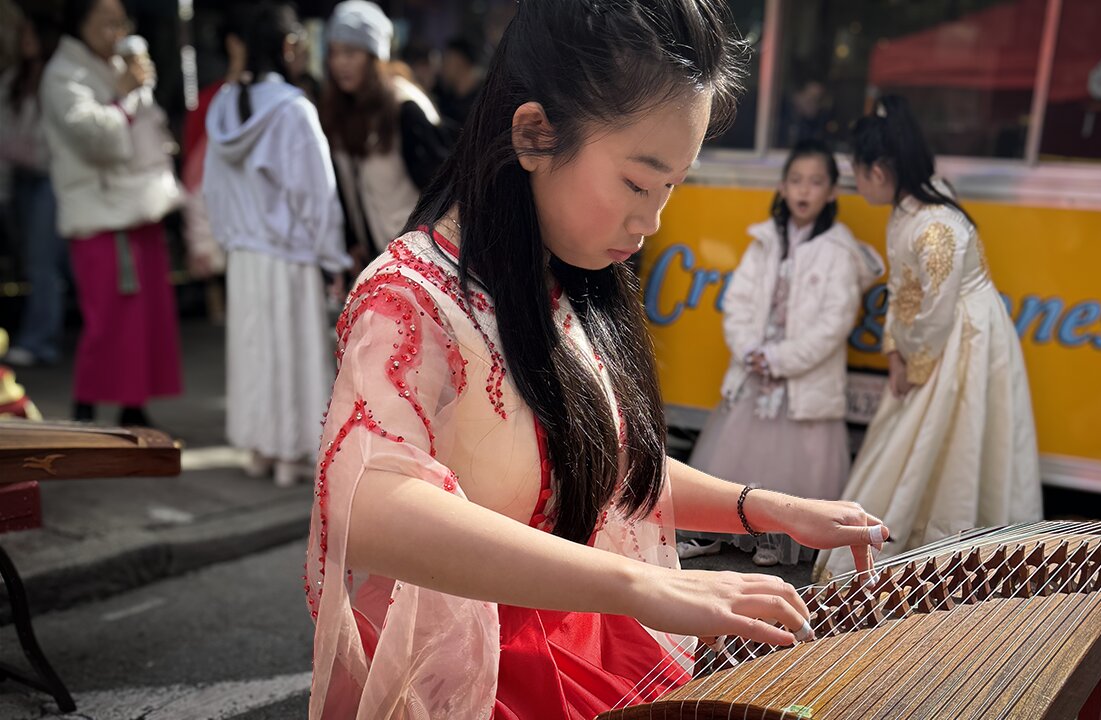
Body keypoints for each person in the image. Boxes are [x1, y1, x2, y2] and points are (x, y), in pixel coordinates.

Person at [304, 1, 890, 717]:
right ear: (534, 134)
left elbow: (593, 462)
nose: (651, 222)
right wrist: (637, 584)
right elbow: (367, 503)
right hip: (471, 673)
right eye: (639, 183)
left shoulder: (560, 274)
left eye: (672, 186)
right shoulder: (408, 299)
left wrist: (766, 509)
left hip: (585, 642)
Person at [814, 95, 1043, 582]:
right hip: (943, 329)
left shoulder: (934, 227)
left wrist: (910, 364)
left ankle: (939, 551)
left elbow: (934, 313)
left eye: (857, 173)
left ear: (879, 171)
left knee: (946, 434)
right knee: (929, 438)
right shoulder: (917, 205)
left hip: (963, 337)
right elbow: (906, 291)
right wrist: (895, 349)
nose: (856, 183)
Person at [677, 139, 885, 567]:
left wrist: (780, 359)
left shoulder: (838, 250)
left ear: (831, 192)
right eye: (795, 181)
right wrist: (749, 350)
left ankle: (777, 536)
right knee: (733, 457)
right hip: (755, 368)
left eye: (815, 183)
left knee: (789, 467)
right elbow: (737, 301)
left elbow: (834, 324)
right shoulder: (766, 240)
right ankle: (716, 530)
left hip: (801, 381)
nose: (804, 191)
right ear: (783, 188)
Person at [202, 3, 351, 487]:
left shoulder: (223, 104)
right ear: (289, 46)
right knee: (294, 355)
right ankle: (294, 454)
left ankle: (259, 449)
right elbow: (315, 195)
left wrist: (229, 238)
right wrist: (331, 254)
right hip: (289, 256)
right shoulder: (292, 109)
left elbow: (213, 188)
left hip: (245, 255)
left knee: (254, 350)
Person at [41, 0, 185, 426]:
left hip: (139, 203)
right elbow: (93, 138)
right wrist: (124, 95)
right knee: (107, 317)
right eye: (105, 23)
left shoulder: (120, 62)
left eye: (119, 22)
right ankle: (85, 403)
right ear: (79, 23)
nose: (115, 31)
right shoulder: (62, 73)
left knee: (146, 315)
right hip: (99, 212)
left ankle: (132, 405)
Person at [320, 0, 451, 268]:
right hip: (376, 259)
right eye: (334, 53)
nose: (340, 63)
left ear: (374, 56)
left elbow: (442, 190)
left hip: (420, 261)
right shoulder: (341, 109)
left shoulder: (405, 106)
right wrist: (353, 241)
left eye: (351, 52)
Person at [0, 12, 66, 367]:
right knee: (34, 262)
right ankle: (43, 335)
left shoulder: (56, 81)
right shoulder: (12, 81)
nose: (22, 41)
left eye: (29, 34)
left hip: (49, 179)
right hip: (19, 180)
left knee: (43, 263)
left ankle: (40, 338)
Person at [179, 7, 248, 326]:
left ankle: (219, 305)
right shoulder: (226, 96)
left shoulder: (207, 100)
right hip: (208, 178)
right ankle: (221, 304)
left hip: (203, 178)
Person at [433, 34, 482, 128]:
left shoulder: (482, 103)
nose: (442, 67)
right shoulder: (447, 99)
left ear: (460, 62)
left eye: (447, 60)